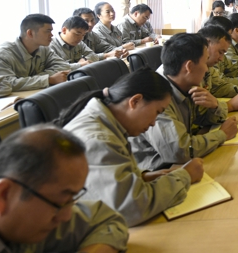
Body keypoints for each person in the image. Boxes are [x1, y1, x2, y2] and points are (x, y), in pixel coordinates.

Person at [60, 68, 204, 227]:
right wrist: (185, 176)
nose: (153, 123)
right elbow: (131, 209)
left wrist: (143, 177)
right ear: (135, 101)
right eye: (157, 112)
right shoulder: (99, 139)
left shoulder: (109, 122)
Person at [0, 125, 129, 252]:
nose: (66, 216)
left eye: (70, 200)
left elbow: (106, 221)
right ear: (4, 194)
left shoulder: (29, 224)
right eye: (59, 202)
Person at [130, 33, 238, 171]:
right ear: (189, 66)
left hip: (178, 164)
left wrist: (214, 105)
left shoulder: (185, 84)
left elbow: (201, 119)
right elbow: (179, 151)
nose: (207, 69)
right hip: (159, 172)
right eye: (205, 62)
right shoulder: (156, 96)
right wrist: (222, 135)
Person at [0, 14, 70, 93]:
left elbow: (64, 66)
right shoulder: (3, 54)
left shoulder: (44, 49)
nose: (52, 35)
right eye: (48, 31)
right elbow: (5, 84)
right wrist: (48, 79)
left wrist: (34, 79)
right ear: (30, 33)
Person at [198, 26, 238, 106]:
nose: (221, 59)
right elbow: (198, 110)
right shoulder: (193, 70)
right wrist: (229, 106)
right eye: (220, 52)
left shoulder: (208, 67)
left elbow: (218, 86)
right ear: (207, 44)